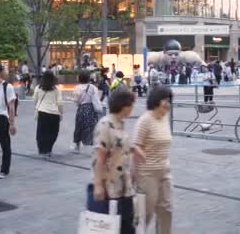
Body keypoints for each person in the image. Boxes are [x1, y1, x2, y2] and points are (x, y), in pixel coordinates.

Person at [90, 90, 141, 234]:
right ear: (123, 106)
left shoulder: (120, 123)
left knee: (126, 224)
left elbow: (119, 146)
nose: (132, 108)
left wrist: (134, 149)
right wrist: (98, 185)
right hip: (110, 187)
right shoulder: (105, 124)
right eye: (131, 105)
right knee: (112, 226)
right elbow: (99, 158)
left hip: (124, 184)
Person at [133, 87, 174, 234]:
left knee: (166, 209)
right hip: (147, 173)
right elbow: (135, 145)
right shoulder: (145, 120)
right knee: (146, 214)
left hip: (164, 171)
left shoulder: (164, 119)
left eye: (170, 100)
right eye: (166, 100)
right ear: (157, 101)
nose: (169, 104)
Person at [33, 70, 63, 158]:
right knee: (53, 132)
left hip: (42, 112)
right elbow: (60, 103)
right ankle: (48, 149)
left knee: (41, 132)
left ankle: (42, 150)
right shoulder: (56, 89)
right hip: (54, 113)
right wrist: (61, 113)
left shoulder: (38, 87)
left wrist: (38, 106)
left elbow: (35, 100)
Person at [72, 70, 103, 153]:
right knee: (92, 127)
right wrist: (99, 109)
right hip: (90, 109)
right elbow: (96, 99)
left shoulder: (77, 87)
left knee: (78, 127)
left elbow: (75, 100)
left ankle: (77, 146)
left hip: (81, 108)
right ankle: (92, 145)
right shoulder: (92, 87)